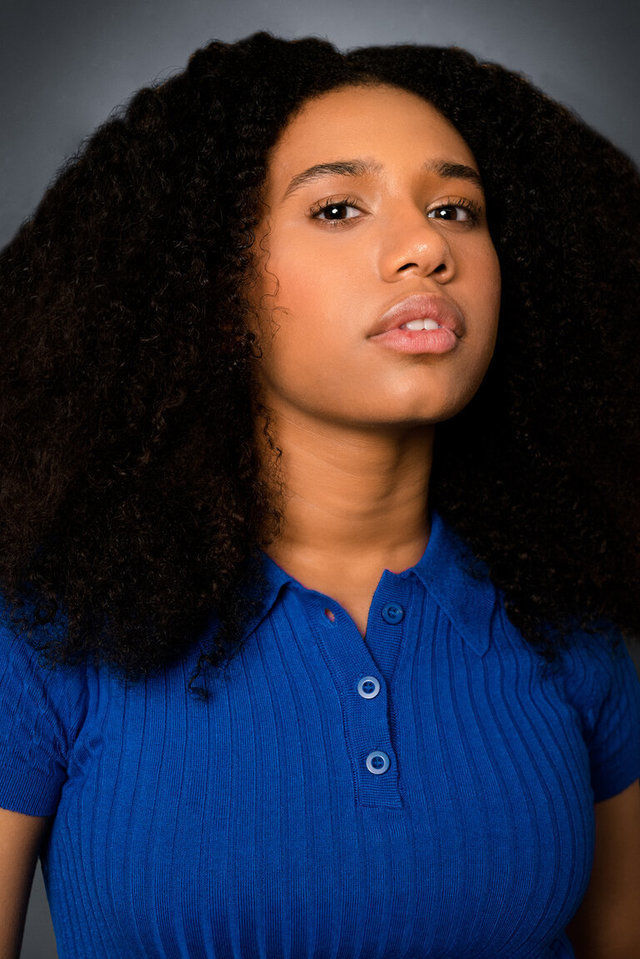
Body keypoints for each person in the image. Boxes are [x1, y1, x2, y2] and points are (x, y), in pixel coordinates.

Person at [0, 29, 638, 959]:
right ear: (220, 289)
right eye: (338, 208)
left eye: (457, 209)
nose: (426, 246)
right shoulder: (47, 637)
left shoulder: (571, 636)